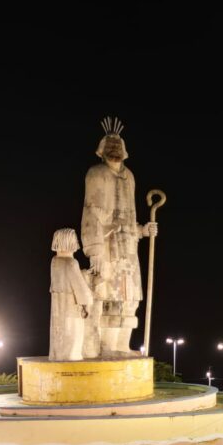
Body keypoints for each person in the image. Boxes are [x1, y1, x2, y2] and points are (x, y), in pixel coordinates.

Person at [80, 117, 157, 358]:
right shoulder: (96, 173)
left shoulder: (129, 177)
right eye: (109, 146)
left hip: (128, 248)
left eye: (118, 146)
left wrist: (143, 230)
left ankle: (122, 345)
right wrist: (94, 250)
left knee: (130, 297)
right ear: (102, 151)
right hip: (106, 245)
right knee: (108, 296)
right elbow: (91, 211)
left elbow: (128, 217)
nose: (114, 150)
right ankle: (107, 347)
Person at [48, 228, 93, 361]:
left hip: (59, 306)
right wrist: (88, 303)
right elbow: (80, 288)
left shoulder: (55, 261)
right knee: (73, 334)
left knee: (59, 333)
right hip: (71, 306)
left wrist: (82, 273)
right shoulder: (72, 263)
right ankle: (71, 358)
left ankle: (58, 356)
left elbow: (66, 278)